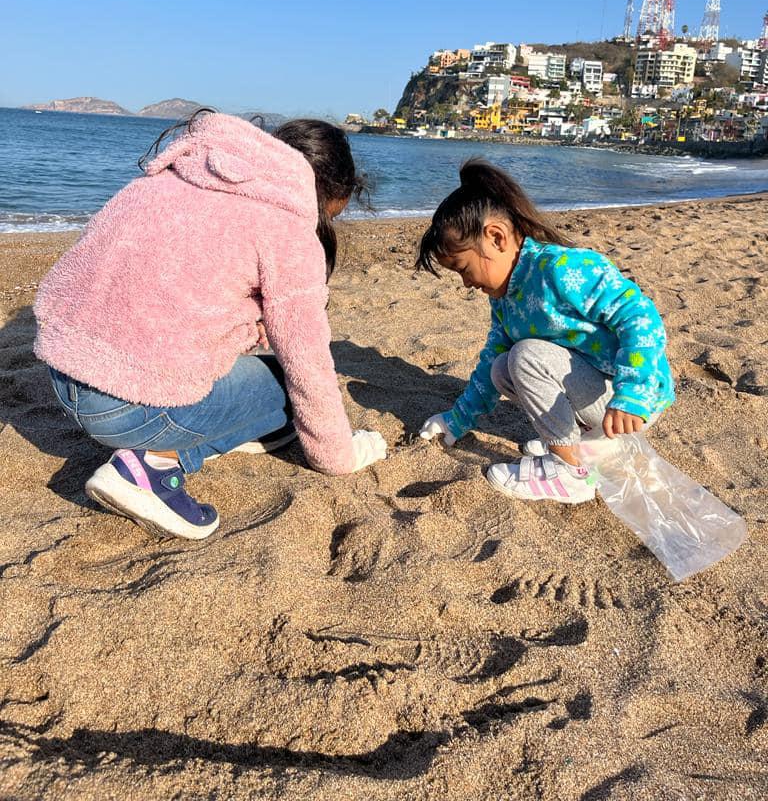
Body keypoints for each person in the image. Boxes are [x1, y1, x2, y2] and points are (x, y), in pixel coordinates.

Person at [34, 111, 387, 540]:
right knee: (285, 384)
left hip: (62, 372)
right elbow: (308, 366)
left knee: (261, 378)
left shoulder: (172, 177)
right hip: (126, 407)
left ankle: (238, 428)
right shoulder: (286, 229)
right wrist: (342, 456)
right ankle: (151, 466)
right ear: (330, 196)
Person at [417, 159, 674, 504]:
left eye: (464, 269)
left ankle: (572, 475)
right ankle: (581, 444)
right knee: (502, 368)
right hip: (597, 395)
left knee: (525, 358)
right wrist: (456, 421)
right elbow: (488, 367)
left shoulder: (561, 269)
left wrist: (633, 394)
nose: (466, 283)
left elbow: (640, 316)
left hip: (629, 399)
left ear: (496, 237)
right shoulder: (506, 300)